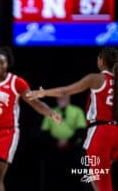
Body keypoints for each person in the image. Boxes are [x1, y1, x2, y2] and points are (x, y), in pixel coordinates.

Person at [26, 47, 118, 191]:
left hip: (101, 134)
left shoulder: (96, 78)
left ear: (100, 61)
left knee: (103, 185)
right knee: (97, 178)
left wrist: (43, 93)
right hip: (115, 133)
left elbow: (65, 91)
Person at [0, 46, 61, 191]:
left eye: (1, 62)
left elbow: (34, 102)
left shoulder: (16, 82)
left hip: (7, 133)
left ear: (7, 64)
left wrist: (51, 113)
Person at [40, 95, 87, 191]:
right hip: (55, 150)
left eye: (64, 98)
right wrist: (57, 142)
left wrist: (68, 142)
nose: (62, 100)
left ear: (69, 99)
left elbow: (81, 131)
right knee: (54, 177)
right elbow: (44, 132)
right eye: (60, 98)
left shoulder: (77, 111)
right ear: (57, 100)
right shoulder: (51, 112)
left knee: (75, 177)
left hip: (73, 150)